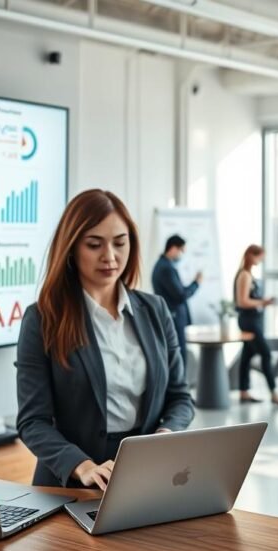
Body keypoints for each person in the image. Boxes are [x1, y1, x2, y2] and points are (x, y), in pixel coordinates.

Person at [16, 189, 195, 489]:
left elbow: (180, 398)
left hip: (147, 475)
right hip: (70, 484)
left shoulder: (156, 310)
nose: (110, 256)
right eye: (94, 244)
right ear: (71, 248)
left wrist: (165, 436)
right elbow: (32, 422)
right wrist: (81, 466)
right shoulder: (43, 320)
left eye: (120, 243)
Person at [234, 245, 278, 407]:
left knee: (247, 356)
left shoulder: (249, 274)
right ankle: (274, 392)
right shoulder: (244, 275)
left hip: (253, 319)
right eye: (260, 257)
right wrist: (262, 302)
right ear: (251, 255)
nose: (261, 261)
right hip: (249, 321)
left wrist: (264, 302)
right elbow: (242, 301)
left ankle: (244, 391)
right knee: (266, 354)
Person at [151, 234, 203, 369]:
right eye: (182, 251)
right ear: (173, 248)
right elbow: (180, 295)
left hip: (172, 316)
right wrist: (196, 283)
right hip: (173, 318)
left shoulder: (162, 265)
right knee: (178, 357)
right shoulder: (166, 268)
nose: (182, 255)